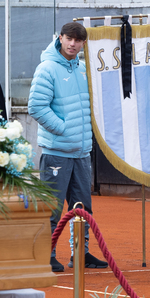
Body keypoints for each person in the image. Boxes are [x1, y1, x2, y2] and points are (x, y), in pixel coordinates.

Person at [27, 21, 107, 273]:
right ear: (60, 38)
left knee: (82, 207)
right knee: (52, 206)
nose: (73, 44)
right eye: (69, 39)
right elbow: (36, 107)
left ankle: (80, 254)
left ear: (83, 43)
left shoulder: (85, 69)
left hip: (82, 152)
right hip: (57, 152)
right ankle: (46, 254)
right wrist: (63, 129)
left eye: (78, 40)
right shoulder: (47, 68)